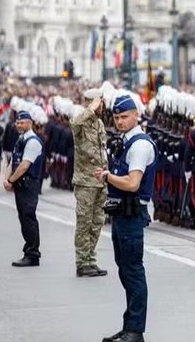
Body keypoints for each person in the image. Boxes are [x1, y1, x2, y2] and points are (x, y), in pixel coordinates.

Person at [95, 94, 157, 342]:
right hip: (121, 214)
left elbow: (133, 183)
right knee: (125, 271)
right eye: (117, 117)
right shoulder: (125, 141)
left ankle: (135, 330)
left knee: (132, 271)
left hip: (132, 215)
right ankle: (128, 326)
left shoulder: (140, 144)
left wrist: (107, 176)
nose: (119, 121)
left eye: (124, 117)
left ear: (136, 115)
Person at [71, 93, 109, 277]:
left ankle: (91, 259)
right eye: (100, 103)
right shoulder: (81, 121)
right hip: (85, 182)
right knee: (84, 223)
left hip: (100, 181)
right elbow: (75, 124)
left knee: (96, 223)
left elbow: (103, 152)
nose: (102, 106)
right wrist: (90, 109)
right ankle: (81, 262)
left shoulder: (100, 124)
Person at [3, 110, 44, 267]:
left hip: (28, 184)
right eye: (17, 122)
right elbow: (13, 160)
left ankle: (33, 254)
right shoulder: (20, 139)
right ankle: (29, 250)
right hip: (20, 185)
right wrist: (7, 179)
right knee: (23, 217)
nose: (19, 125)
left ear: (30, 123)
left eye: (22, 122)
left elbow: (24, 166)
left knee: (28, 217)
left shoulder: (33, 141)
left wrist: (11, 181)